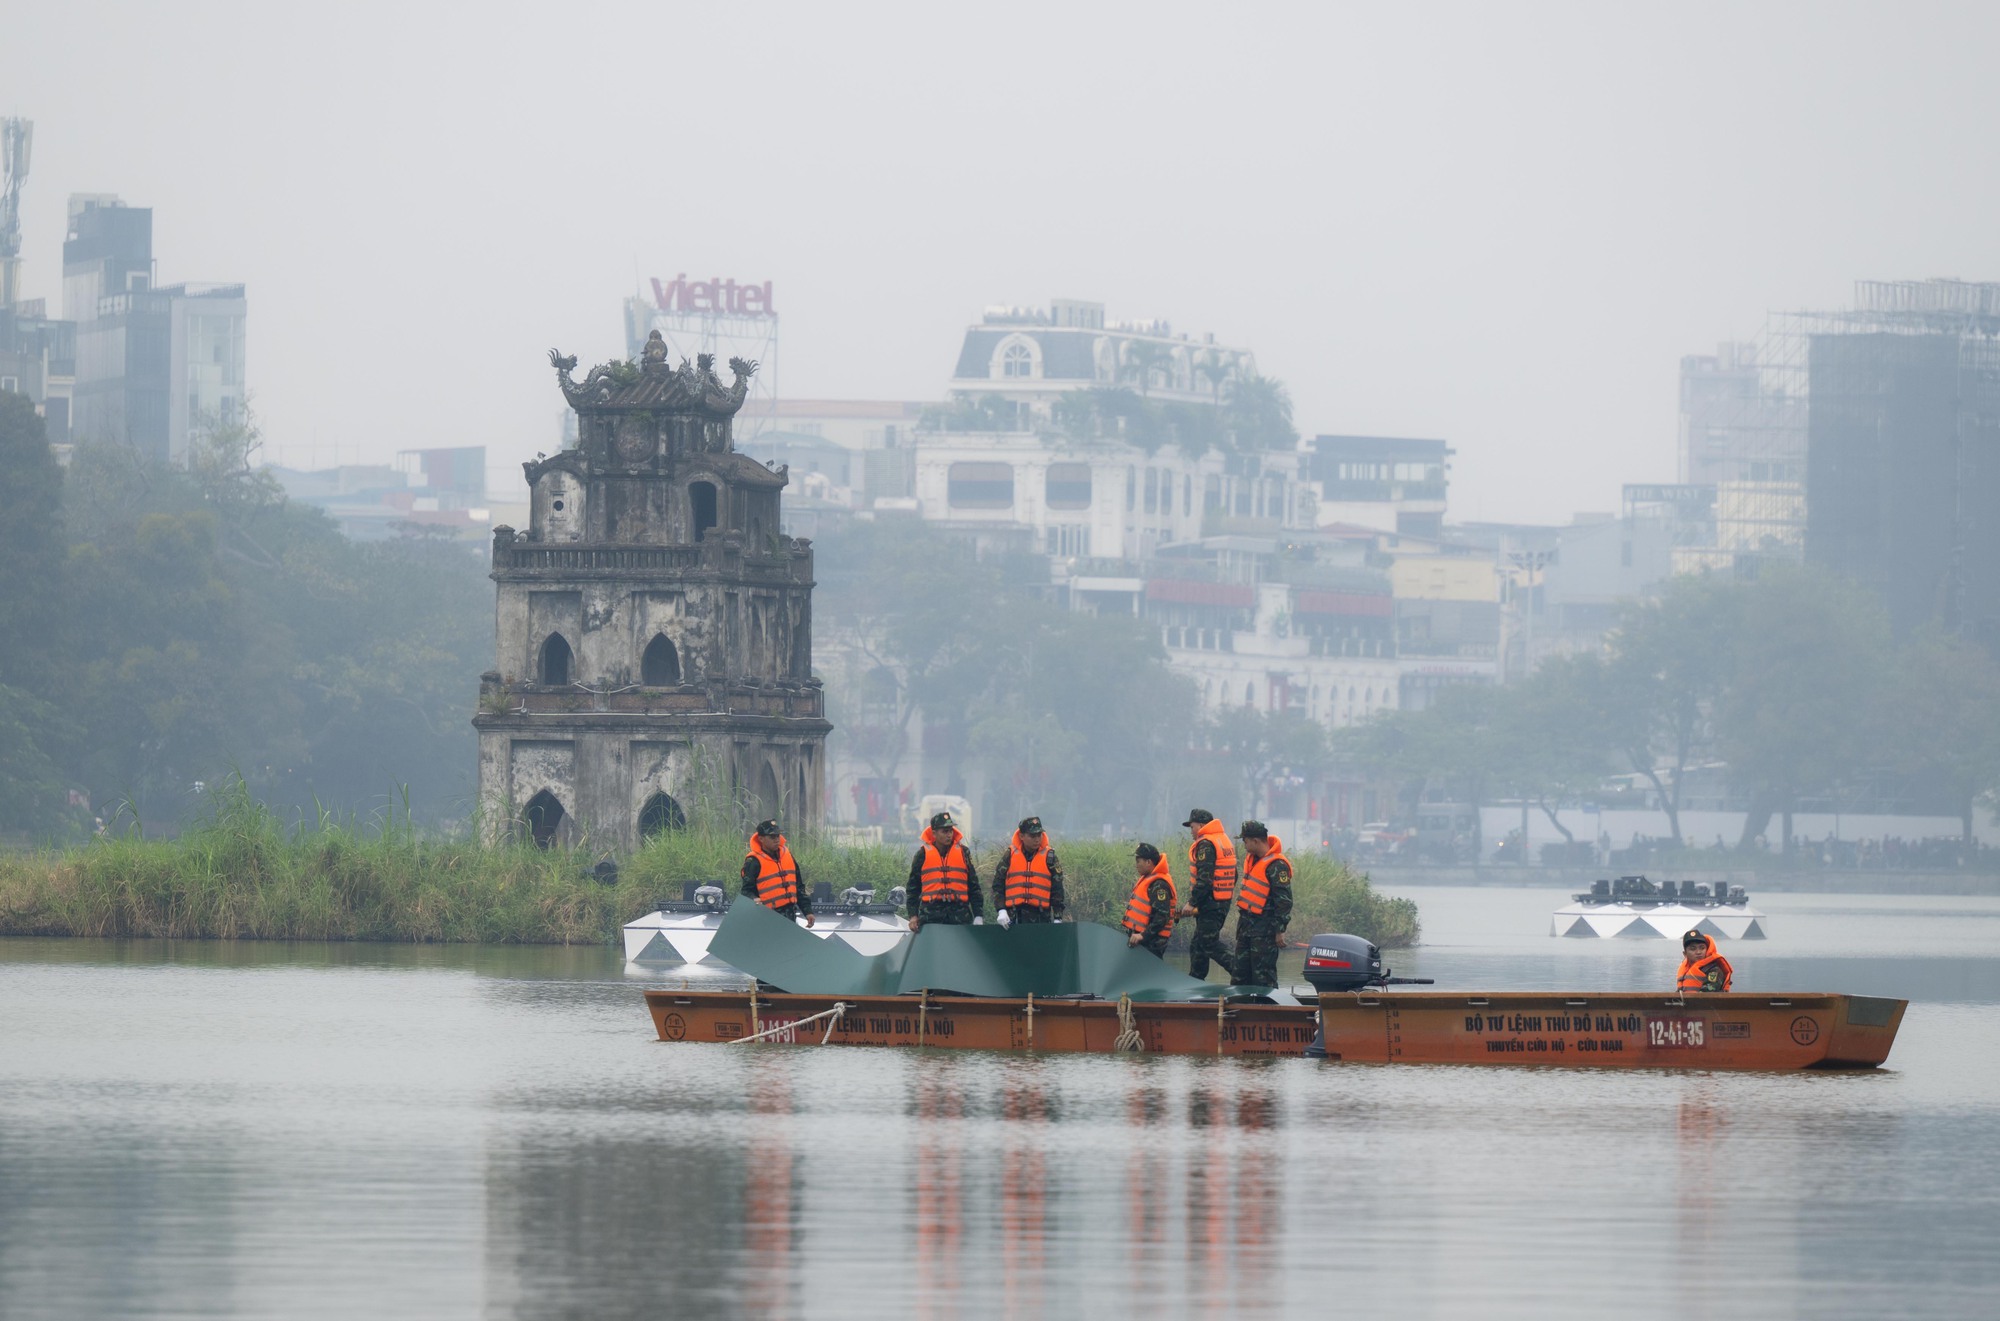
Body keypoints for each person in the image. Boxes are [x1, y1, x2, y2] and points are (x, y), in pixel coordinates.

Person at [1177, 808, 1239, 981]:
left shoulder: (1206, 844)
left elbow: (1204, 879)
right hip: (1220, 901)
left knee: (1208, 942)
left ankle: (1241, 973)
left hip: (1210, 903)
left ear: (1202, 825)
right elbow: (1234, 875)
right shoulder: (1222, 840)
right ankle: (1195, 980)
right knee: (1198, 944)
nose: (1191, 831)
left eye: (1192, 827)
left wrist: (1192, 902)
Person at [1232, 821, 1293, 987]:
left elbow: (1284, 900)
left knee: (1263, 978)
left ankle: (1268, 1004)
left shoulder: (1277, 865)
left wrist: (1280, 929)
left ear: (1255, 841)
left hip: (1264, 931)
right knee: (1239, 976)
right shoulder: (1253, 860)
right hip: (1246, 928)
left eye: (1245, 841)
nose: (1244, 845)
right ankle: (1241, 1003)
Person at [905, 810, 983, 931]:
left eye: (951, 830)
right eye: (945, 831)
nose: (949, 835)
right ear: (934, 833)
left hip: (960, 915)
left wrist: (978, 915)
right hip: (931, 916)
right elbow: (913, 888)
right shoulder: (922, 854)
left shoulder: (964, 852)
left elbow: (974, 886)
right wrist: (913, 916)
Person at [992, 815, 1067, 926]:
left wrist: (1058, 917)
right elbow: (998, 884)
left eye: (1039, 835)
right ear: (1021, 836)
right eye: (1032, 836)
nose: (1037, 839)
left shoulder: (1050, 857)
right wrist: (1001, 910)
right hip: (1013, 918)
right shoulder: (1010, 855)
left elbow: (1057, 889)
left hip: (1041, 918)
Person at [742, 818, 813, 927]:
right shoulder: (753, 861)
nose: (776, 840)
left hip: (790, 916)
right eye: (772, 837)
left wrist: (808, 911)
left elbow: (798, 886)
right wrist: (754, 899)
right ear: (761, 838)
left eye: (777, 836)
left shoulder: (787, 856)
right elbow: (746, 891)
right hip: (767, 918)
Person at [1122, 843, 1179, 956]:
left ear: (1148, 862)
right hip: (1143, 940)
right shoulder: (1148, 879)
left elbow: (1162, 916)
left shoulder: (1159, 885)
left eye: (1138, 861)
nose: (1136, 865)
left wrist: (1142, 935)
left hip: (1152, 942)